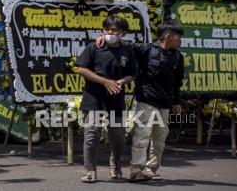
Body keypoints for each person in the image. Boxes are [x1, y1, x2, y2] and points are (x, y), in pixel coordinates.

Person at [96, 20, 184, 182]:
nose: (181, 40)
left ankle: (150, 169)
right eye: (178, 37)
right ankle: (136, 170)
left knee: (159, 140)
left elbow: (178, 82)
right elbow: (123, 43)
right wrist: (103, 37)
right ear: (168, 36)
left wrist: (176, 103)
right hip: (146, 99)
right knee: (142, 135)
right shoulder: (146, 50)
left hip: (165, 103)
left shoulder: (178, 56)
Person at [75, 16, 137, 183]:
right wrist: (105, 82)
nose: (110, 32)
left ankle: (115, 164)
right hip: (94, 97)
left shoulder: (127, 50)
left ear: (122, 32)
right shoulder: (94, 47)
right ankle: (90, 170)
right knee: (91, 133)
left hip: (116, 98)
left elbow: (132, 74)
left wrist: (121, 82)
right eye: (107, 29)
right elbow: (81, 69)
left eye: (114, 30)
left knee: (117, 135)